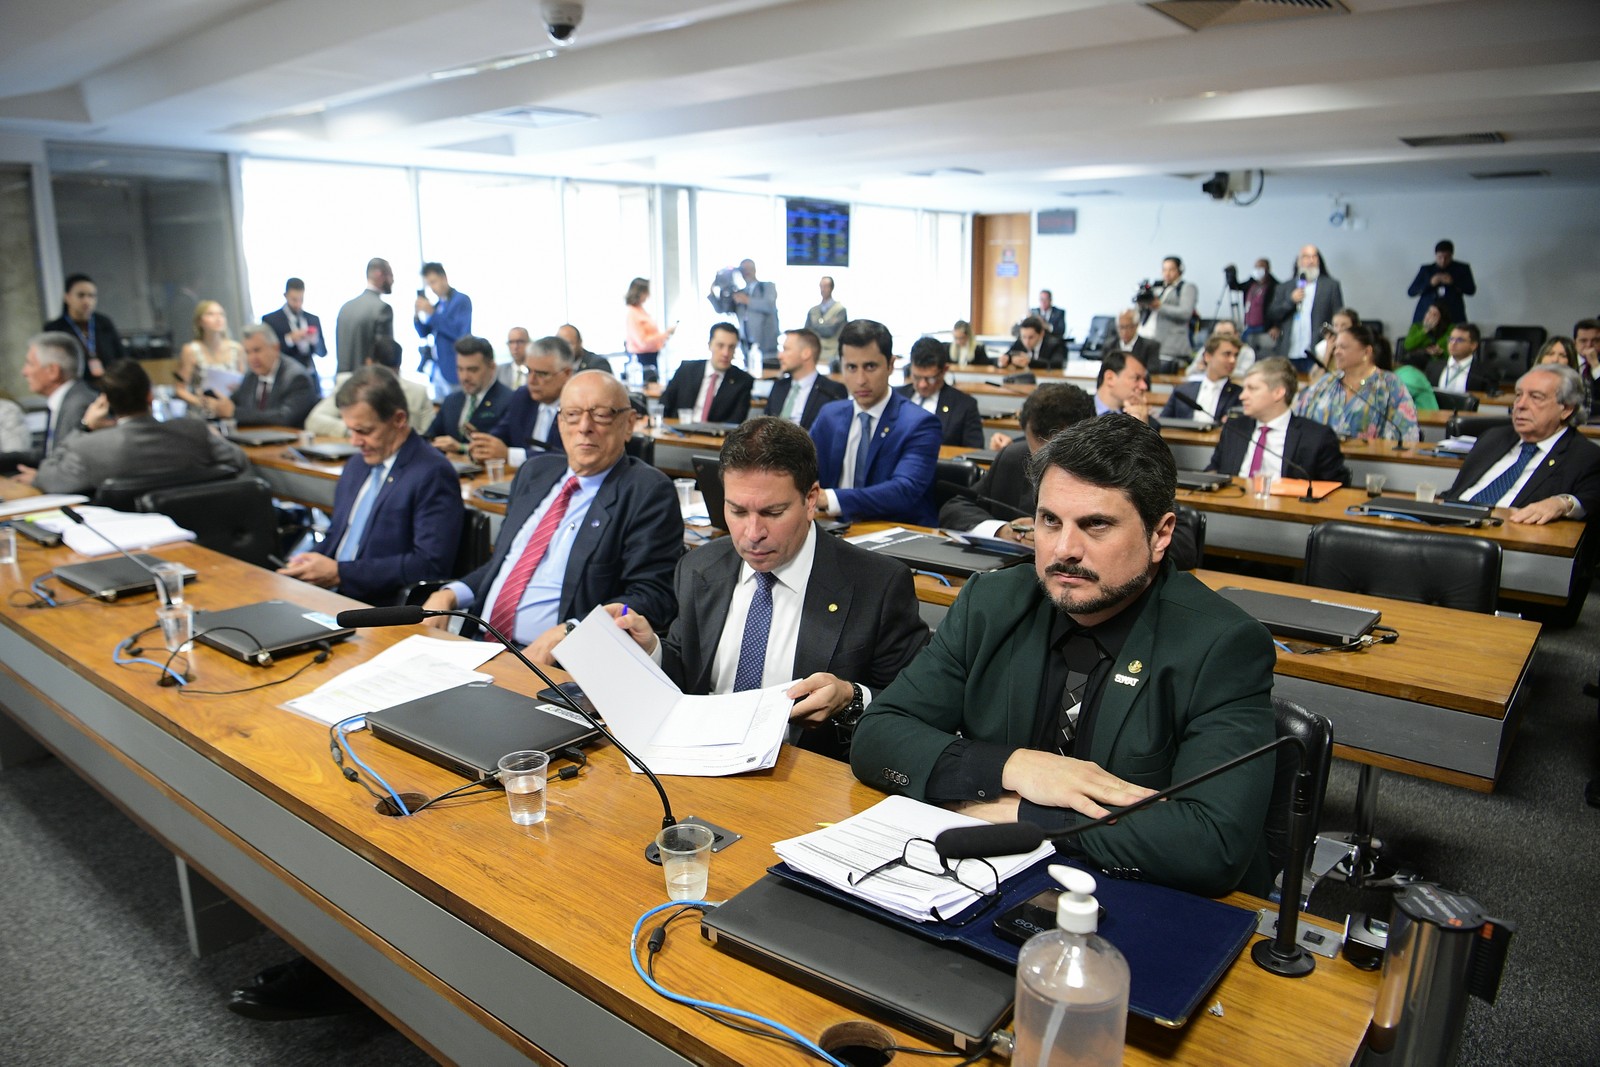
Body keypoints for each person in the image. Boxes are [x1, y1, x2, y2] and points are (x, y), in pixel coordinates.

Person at [850, 415, 1276, 897]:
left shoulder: (1223, 646)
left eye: (1096, 525)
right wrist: (1014, 768)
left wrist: (1024, 813)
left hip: (1148, 902)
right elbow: (878, 737)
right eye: (1049, 521)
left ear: (1160, 536)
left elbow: (1210, 845)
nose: (1064, 549)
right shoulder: (990, 602)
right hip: (992, 883)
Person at [603, 417, 929, 761]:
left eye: (773, 512)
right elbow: (689, 673)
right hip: (697, 759)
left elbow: (916, 704)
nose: (752, 533)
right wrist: (652, 648)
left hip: (805, 775)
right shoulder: (699, 568)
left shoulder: (877, 584)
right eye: (737, 511)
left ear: (810, 500)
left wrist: (850, 696)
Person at [423, 371, 682, 663]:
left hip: (557, 664)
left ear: (628, 424)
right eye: (572, 414)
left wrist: (574, 631)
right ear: (560, 423)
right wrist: (452, 593)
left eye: (601, 415)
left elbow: (652, 596)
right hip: (478, 645)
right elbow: (506, 564)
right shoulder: (535, 473)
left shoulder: (646, 491)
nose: (585, 427)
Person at [278, 366, 463, 604]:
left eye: (364, 431)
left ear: (398, 419)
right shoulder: (357, 465)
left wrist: (339, 573)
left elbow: (429, 565)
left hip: (375, 606)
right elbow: (339, 534)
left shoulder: (433, 472)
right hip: (328, 595)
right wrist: (310, 561)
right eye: (350, 430)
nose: (355, 442)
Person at [27, 359, 247, 496]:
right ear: (150, 395)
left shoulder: (88, 449)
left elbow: (46, 478)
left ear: (107, 403)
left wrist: (85, 426)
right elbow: (238, 460)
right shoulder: (193, 431)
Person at [809, 319, 941, 526]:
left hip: (897, 536)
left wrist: (830, 498)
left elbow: (903, 491)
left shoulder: (920, 423)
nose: (861, 380)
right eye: (851, 367)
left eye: (870, 367)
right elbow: (798, 470)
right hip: (833, 531)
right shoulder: (830, 416)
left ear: (890, 365)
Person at [1443, 364, 1599, 525]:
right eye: (1518, 395)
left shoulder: (1584, 456)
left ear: (1566, 409)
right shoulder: (1493, 437)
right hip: (1448, 525)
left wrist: (1562, 503)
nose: (1520, 405)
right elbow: (1454, 493)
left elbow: (1591, 500)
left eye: (1536, 397)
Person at [940, 383, 1095, 538]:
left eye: (1061, 455)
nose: (1047, 466)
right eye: (1038, 456)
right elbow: (955, 509)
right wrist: (1002, 531)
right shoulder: (1014, 459)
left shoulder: (1112, 471)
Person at [1205, 357, 1347, 484]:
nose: (1242, 396)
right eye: (1244, 388)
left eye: (1252, 389)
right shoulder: (1234, 428)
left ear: (1278, 393)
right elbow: (1214, 470)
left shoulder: (1317, 437)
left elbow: (1335, 490)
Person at [1293, 324, 1419, 445]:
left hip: (1373, 463)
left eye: (1343, 347)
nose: (1336, 352)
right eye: (1335, 347)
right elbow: (1299, 421)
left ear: (1366, 352)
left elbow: (1406, 434)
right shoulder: (1326, 383)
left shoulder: (1390, 385)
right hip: (1321, 461)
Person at [3, 333, 97, 475]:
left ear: (53, 371)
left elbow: (73, 468)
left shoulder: (78, 405)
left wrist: (37, 479)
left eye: (30, 363)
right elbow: (48, 454)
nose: (24, 372)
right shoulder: (65, 400)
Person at [473, 335, 574, 463]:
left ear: (566, 374)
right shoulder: (523, 396)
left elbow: (564, 457)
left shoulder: (579, 408)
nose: (531, 380)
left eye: (542, 374)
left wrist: (510, 455)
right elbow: (502, 431)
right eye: (529, 371)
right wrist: (483, 446)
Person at [304, 339, 433, 439]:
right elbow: (314, 421)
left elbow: (430, 437)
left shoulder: (418, 392)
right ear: (368, 363)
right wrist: (356, 431)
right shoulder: (349, 384)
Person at [204, 324, 317, 428]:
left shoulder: (297, 378)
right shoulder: (251, 376)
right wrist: (217, 405)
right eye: (248, 352)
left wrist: (234, 412)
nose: (252, 358)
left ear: (275, 348)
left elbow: (284, 418)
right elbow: (232, 404)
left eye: (257, 350)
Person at [425, 336, 514, 453]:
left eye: (472, 370)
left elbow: (503, 447)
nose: (464, 377)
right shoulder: (451, 400)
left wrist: (461, 448)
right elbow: (430, 437)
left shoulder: (509, 400)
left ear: (492, 367)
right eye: (460, 369)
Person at [1267, 245, 1345, 370]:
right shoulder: (1285, 287)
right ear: (1298, 262)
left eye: (1314, 257)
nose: (1311, 260)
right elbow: (1273, 314)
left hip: (1316, 352)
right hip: (1289, 352)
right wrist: (1290, 301)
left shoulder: (1330, 286)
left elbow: (1339, 315)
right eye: (1306, 257)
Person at [896, 337, 983, 447]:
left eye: (930, 379)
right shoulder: (895, 397)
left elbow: (974, 452)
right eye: (917, 377)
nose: (923, 385)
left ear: (944, 370)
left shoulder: (964, 406)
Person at [660, 323, 754, 424]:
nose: (725, 353)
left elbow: (737, 421)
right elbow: (665, 403)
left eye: (731, 347)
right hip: (679, 433)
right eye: (720, 346)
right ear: (710, 345)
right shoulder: (687, 370)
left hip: (716, 437)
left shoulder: (743, 381)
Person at [43, 273, 126, 378]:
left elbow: (121, 357)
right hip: (75, 386)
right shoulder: (55, 329)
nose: (86, 301)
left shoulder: (104, 323)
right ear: (67, 297)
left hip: (108, 383)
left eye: (91, 296)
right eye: (81, 295)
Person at [766, 328, 845, 430]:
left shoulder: (831, 391)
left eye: (786, 349)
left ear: (806, 353)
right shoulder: (779, 386)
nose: (779, 356)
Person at [414, 262, 472, 398]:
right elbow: (424, 333)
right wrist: (417, 315)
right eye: (429, 284)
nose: (432, 288)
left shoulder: (461, 300)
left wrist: (433, 314)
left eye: (433, 282)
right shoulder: (439, 304)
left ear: (444, 277)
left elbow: (461, 334)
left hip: (455, 369)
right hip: (438, 370)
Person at [174, 300, 245, 410]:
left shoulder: (236, 348)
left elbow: (244, 383)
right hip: (203, 409)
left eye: (221, 314)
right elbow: (180, 389)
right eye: (210, 314)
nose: (218, 318)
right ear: (199, 321)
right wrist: (200, 402)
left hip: (231, 407)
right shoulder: (190, 350)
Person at [1162, 335, 1242, 426]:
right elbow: (1163, 422)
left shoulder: (1239, 395)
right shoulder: (1182, 391)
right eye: (1227, 354)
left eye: (1236, 355)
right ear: (1208, 357)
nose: (1233, 360)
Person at [334, 258, 394, 374]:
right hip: (367, 382)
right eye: (391, 274)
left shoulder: (345, 307)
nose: (393, 280)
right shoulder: (383, 309)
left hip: (343, 381)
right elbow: (385, 354)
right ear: (380, 274)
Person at [1139, 256, 1197, 371]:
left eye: (1171, 269)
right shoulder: (1158, 287)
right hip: (1148, 340)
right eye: (1164, 269)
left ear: (1180, 270)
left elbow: (1185, 313)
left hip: (1171, 346)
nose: (1167, 273)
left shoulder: (1187, 288)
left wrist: (1160, 306)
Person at [261, 277, 326, 377]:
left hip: (310, 375)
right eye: (294, 299)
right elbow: (268, 352)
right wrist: (289, 339)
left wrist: (315, 341)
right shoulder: (271, 320)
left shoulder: (313, 319)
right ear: (286, 296)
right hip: (284, 376)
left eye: (301, 299)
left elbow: (323, 352)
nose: (298, 304)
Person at [1407, 240, 1476, 326]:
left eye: (1446, 257)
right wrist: (1430, 283)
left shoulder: (1462, 269)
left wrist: (1453, 282)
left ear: (1452, 255)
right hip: (1428, 313)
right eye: (1440, 257)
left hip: (1453, 314)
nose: (1443, 261)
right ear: (1435, 255)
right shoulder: (1426, 270)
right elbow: (1411, 292)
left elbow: (1471, 290)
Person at [624, 277, 674, 383]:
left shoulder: (641, 311)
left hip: (651, 356)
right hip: (641, 360)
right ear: (640, 292)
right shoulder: (633, 314)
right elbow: (642, 342)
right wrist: (664, 335)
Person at [730, 259, 779, 363]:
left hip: (767, 349)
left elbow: (769, 305)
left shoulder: (767, 286)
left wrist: (747, 300)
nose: (746, 272)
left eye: (749, 269)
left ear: (755, 270)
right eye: (743, 270)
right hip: (746, 349)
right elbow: (722, 309)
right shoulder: (739, 292)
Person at [1426, 324, 1496, 394]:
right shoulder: (1433, 367)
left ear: (1473, 345)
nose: (1453, 343)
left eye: (1459, 340)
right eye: (1451, 339)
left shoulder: (1485, 374)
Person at [1225, 258, 1277, 350]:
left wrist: (1275, 325)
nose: (1258, 270)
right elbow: (1236, 287)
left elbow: (1277, 308)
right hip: (1249, 326)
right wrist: (1231, 275)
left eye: (1261, 267)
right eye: (1256, 267)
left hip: (1264, 327)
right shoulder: (1251, 283)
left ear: (1267, 269)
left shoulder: (1274, 286)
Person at [1093, 350, 1155, 427]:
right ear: (1110, 378)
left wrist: (1141, 428)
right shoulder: (1076, 412)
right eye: (1136, 378)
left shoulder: (1148, 423)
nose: (1144, 386)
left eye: (1144, 380)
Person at [1186, 320, 1255, 379]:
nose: (1222, 338)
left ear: (1236, 334)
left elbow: (1245, 374)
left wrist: (1214, 370)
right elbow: (1188, 371)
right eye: (1218, 334)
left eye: (1227, 334)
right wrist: (1199, 368)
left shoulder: (1246, 351)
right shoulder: (1207, 349)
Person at [804, 276, 848, 364]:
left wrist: (815, 326)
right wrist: (826, 324)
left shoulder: (839, 310)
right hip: (814, 352)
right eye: (821, 286)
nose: (823, 289)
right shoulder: (813, 311)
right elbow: (807, 332)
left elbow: (830, 331)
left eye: (826, 286)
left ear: (832, 288)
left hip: (831, 353)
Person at [1572, 319, 1600, 410]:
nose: (1589, 345)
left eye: (1595, 341)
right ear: (1575, 343)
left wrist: (1596, 366)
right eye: (1583, 341)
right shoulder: (1566, 361)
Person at [498, 327, 532, 391]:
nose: (515, 347)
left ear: (529, 343)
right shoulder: (499, 370)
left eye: (520, 342)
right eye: (511, 342)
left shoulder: (535, 371)